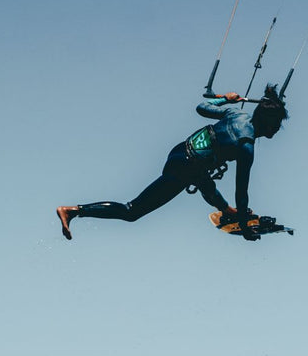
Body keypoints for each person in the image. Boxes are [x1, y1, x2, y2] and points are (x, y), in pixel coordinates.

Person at [56, 84, 288, 242]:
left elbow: (202, 107)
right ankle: (74, 211)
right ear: (269, 124)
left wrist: (223, 99)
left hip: (180, 153)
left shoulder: (236, 114)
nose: (278, 130)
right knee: (132, 211)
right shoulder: (246, 146)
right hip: (186, 168)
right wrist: (246, 229)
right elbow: (242, 191)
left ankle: (226, 210)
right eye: (277, 125)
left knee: (206, 183)